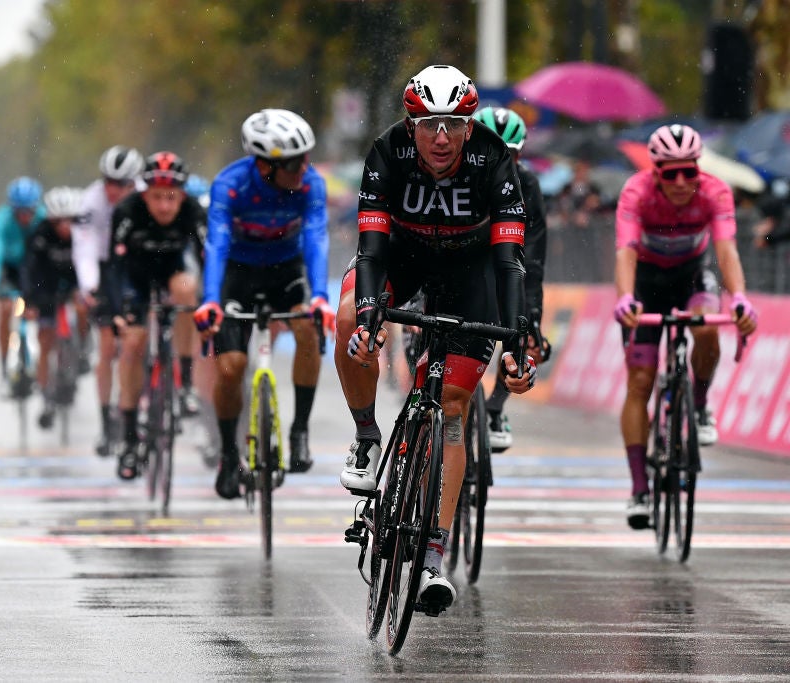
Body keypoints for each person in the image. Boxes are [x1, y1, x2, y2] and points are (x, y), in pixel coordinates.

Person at [333, 65, 536, 615]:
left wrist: (517, 340)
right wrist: (374, 318)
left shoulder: (494, 160)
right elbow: (372, 249)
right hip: (401, 255)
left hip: (470, 271)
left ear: (469, 126)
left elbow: (508, 262)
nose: (440, 136)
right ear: (410, 123)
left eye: (452, 123)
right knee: (351, 313)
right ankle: (368, 434)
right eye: (428, 125)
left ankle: (431, 556)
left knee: (451, 406)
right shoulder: (386, 153)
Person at [614, 123, 758, 530]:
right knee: (640, 381)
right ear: (655, 170)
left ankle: (696, 403)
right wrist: (626, 299)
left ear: (700, 168)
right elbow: (625, 252)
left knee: (708, 331)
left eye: (688, 171)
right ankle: (640, 488)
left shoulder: (715, 191)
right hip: (645, 282)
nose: (681, 181)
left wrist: (740, 297)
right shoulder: (635, 191)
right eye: (670, 172)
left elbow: (726, 251)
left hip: (692, 278)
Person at [194, 108, 334, 500]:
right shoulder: (231, 185)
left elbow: (317, 238)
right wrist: (209, 300)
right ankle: (228, 454)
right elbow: (217, 244)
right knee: (232, 367)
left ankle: (299, 430)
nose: (304, 167)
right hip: (238, 274)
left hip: (284, 270)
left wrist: (321, 296)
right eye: (294, 161)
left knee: (308, 330)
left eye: (307, 157)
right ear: (265, 165)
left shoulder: (310, 185)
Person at [108, 152, 205, 480]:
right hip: (134, 280)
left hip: (172, 274)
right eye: (156, 197)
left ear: (182, 195)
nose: (164, 206)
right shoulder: (126, 211)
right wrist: (118, 311)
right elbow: (114, 266)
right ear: (143, 194)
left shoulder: (193, 211)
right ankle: (130, 438)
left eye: (171, 197)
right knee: (133, 343)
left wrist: (214, 302)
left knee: (187, 290)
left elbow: (208, 258)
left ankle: (186, 381)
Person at [472, 106, 550, 451]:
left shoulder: (528, 186)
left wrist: (532, 318)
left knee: (525, 335)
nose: (500, 164)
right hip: (461, 264)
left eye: (510, 155)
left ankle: (494, 407)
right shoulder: (457, 173)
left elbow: (532, 260)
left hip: (508, 267)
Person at [72, 145, 144, 456]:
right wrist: (89, 286)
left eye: (122, 184)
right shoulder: (91, 202)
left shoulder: (147, 197)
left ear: (135, 182)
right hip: (103, 268)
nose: (113, 190)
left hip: (135, 266)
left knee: (138, 339)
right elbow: (84, 248)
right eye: (108, 182)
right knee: (107, 347)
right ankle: (105, 422)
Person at [21, 186, 88, 430]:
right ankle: (45, 396)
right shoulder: (40, 236)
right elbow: (29, 270)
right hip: (46, 289)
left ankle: (82, 350)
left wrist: (90, 292)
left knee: (82, 310)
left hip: (74, 285)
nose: (64, 226)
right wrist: (30, 302)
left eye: (69, 220)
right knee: (45, 341)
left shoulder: (85, 233)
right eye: (58, 221)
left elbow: (93, 264)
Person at [0, 176, 46, 396]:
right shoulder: (1, 221)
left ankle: (44, 364)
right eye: (20, 212)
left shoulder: (44, 219)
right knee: (6, 311)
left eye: (30, 211)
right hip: (10, 272)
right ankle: (3, 365)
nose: (25, 217)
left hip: (35, 271)